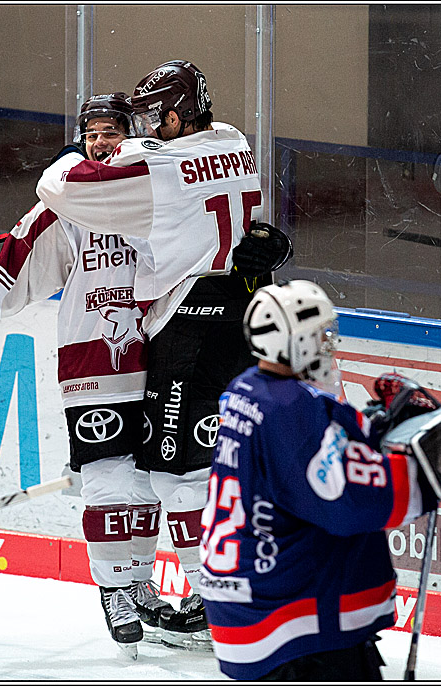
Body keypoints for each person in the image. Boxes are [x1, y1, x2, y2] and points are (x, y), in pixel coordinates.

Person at [35, 60, 293, 644]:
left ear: (177, 117)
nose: (146, 130)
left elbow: (60, 190)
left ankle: (217, 601)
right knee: (224, 464)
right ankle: (235, 588)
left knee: (177, 474)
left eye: (155, 118)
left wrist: (75, 154)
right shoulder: (234, 141)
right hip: (246, 311)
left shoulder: (157, 165)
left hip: (190, 326)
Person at [0, 94, 174, 655]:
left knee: (146, 480)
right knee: (107, 478)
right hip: (91, 357)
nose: (100, 142)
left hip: (159, 353)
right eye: (92, 134)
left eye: (112, 132)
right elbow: (12, 268)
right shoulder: (67, 203)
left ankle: (139, 582)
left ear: (134, 134)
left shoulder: (162, 188)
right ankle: (114, 589)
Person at [201, 280, 440, 680]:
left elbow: (312, 454)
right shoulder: (288, 409)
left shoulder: (249, 388)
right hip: (294, 627)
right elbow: (347, 501)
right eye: (321, 335)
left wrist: (372, 428)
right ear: (294, 343)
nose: (329, 345)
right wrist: (432, 470)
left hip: (253, 605)